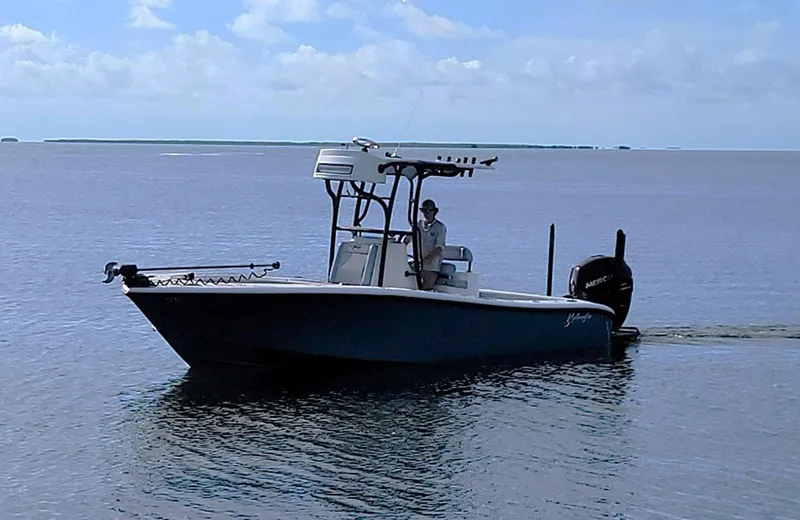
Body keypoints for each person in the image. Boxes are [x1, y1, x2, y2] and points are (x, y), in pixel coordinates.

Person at [410, 199, 447, 290]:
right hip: (416, 263)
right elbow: (407, 238)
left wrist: (425, 260)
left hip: (431, 266)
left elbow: (439, 248)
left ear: (434, 212)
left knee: (426, 288)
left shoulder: (440, 227)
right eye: (424, 210)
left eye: (429, 211)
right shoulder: (417, 224)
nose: (426, 213)